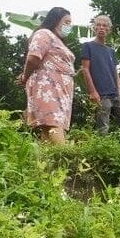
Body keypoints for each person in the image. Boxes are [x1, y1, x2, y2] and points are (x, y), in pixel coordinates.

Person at [17, 7, 75, 145]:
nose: (69, 26)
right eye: (66, 22)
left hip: (62, 89)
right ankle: (66, 160)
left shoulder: (59, 41)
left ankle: (48, 164)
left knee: (48, 129)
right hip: (48, 86)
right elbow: (33, 59)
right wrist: (25, 77)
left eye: (70, 23)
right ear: (55, 20)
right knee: (52, 122)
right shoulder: (44, 34)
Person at [80, 15, 120, 138]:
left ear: (109, 30)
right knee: (103, 127)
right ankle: (101, 154)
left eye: (104, 26)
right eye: (98, 25)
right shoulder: (88, 46)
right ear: (94, 28)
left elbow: (115, 71)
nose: (101, 28)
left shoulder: (111, 51)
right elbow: (85, 69)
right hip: (100, 93)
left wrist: (118, 89)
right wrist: (92, 91)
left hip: (115, 92)